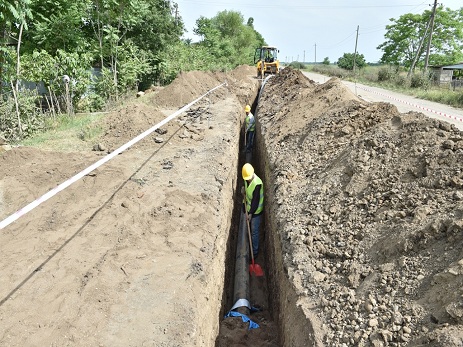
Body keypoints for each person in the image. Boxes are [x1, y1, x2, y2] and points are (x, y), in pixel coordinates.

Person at [242, 163, 264, 258]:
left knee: (254, 232)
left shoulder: (257, 184)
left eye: (248, 178)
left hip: (256, 211)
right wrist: (243, 191)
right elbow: (247, 193)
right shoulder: (246, 179)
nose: (247, 180)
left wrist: (250, 213)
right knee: (248, 229)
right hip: (248, 208)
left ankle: (254, 253)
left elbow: (255, 200)